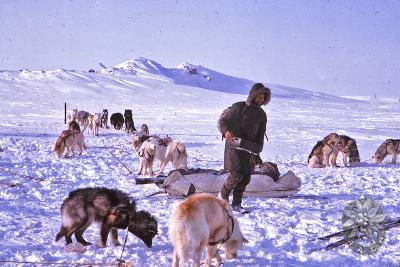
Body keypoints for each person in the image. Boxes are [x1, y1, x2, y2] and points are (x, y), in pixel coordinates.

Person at [218, 83, 271, 212]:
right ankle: (222, 196)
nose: (260, 100)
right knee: (236, 174)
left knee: (246, 177)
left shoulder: (262, 115)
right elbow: (223, 121)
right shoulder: (238, 107)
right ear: (252, 95)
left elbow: (259, 136)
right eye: (258, 96)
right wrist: (226, 131)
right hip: (234, 146)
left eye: (263, 98)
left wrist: (257, 151)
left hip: (249, 149)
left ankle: (237, 204)